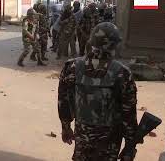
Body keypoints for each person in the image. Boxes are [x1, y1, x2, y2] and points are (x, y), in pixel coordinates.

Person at [58, 22, 138, 161]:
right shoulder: (122, 73)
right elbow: (128, 112)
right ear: (113, 45)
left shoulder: (71, 66)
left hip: (82, 135)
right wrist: (130, 144)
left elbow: (63, 100)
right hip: (110, 140)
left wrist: (66, 127)